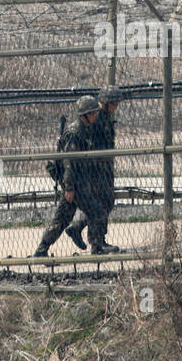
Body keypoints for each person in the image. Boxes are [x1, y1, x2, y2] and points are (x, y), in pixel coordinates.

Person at [32, 95, 113, 256]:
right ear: (84, 115)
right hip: (75, 183)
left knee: (62, 218)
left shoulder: (86, 129)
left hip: (79, 181)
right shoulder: (75, 132)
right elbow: (68, 162)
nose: (96, 115)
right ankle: (96, 247)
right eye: (93, 113)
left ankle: (42, 249)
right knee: (97, 212)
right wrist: (69, 187)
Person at [64, 86, 127, 252]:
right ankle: (96, 241)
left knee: (106, 202)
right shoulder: (95, 118)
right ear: (106, 102)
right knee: (101, 203)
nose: (116, 106)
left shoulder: (104, 117)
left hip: (104, 166)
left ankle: (84, 230)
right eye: (114, 103)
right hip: (95, 168)